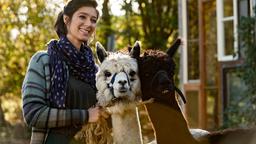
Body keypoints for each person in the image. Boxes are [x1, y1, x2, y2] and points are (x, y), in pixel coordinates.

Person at [21, 0, 108, 143]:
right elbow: (33, 113)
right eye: (82, 17)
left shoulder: (95, 70)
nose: (88, 24)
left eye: (93, 20)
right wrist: (85, 116)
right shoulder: (43, 60)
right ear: (66, 19)